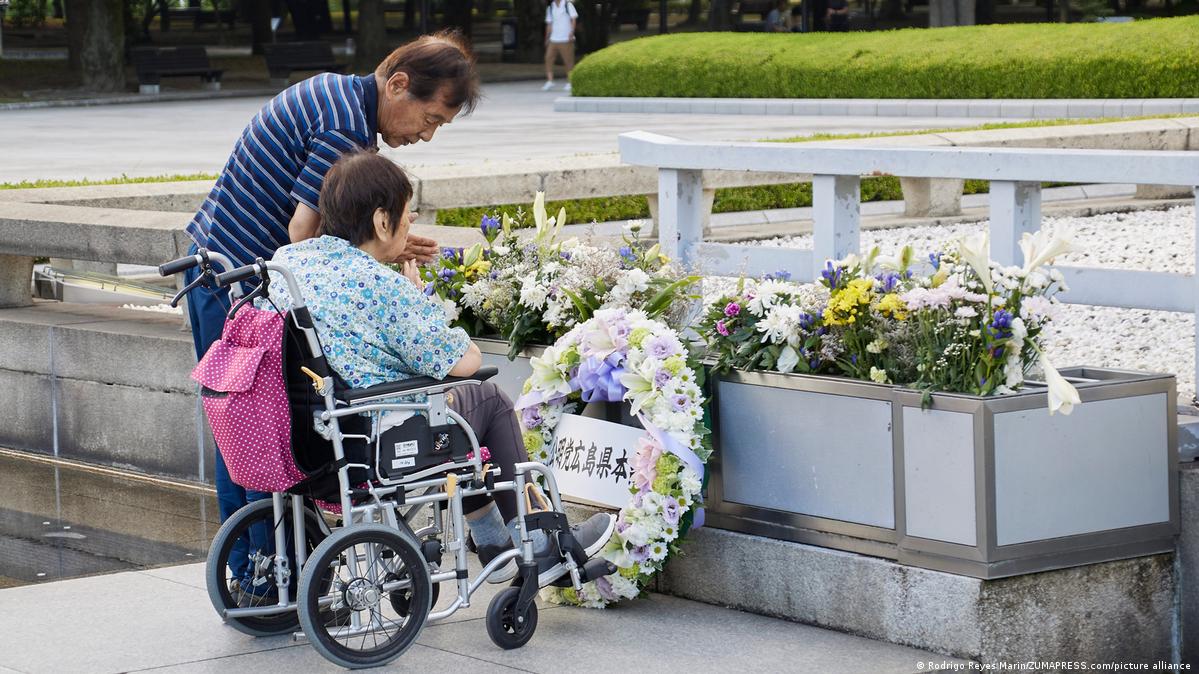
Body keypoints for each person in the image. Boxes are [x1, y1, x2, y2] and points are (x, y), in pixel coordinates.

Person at [183, 31, 480, 590]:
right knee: (257, 431)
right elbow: (302, 231)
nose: (426, 134)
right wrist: (380, 256)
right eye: (431, 117)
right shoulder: (347, 128)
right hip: (240, 288)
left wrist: (383, 241)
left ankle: (256, 570)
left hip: (219, 270)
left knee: (241, 427)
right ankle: (268, 573)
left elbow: (321, 229)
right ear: (397, 84)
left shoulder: (335, 92)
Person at [264, 151, 616, 584]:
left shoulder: (288, 263)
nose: (409, 226)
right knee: (484, 399)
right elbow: (465, 361)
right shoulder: (380, 284)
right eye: (406, 218)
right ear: (380, 221)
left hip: (314, 432)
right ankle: (537, 540)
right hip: (378, 431)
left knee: (451, 418)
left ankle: (493, 540)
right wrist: (419, 300)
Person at [542, 0, 577, 92]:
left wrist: (571, 32)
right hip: (553, 39)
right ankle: (550, 81)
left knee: (568, 61)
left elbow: (573, 19)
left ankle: (570, 82)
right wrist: (547, 37)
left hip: (565, 38)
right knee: (548, 58)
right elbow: (549, 24)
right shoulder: (550, 7)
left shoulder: (567, 5)